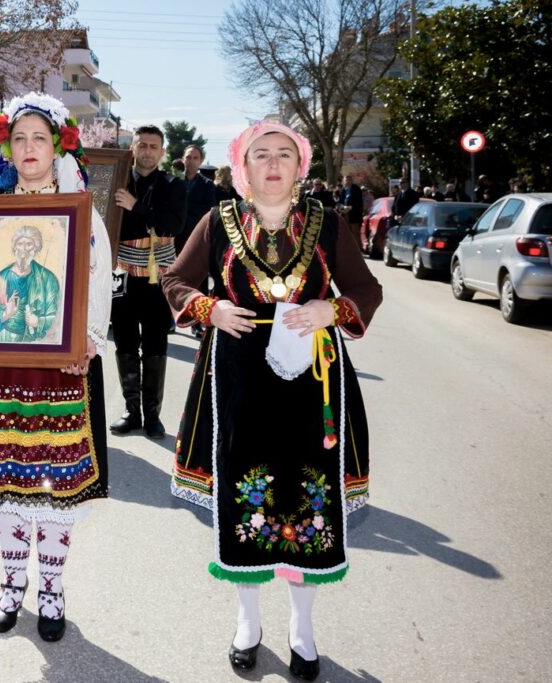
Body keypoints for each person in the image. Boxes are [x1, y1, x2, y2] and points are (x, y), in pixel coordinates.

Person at [162, 121, 382, 681]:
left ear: (301, 165)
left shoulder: (328, 224)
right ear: (243, 166)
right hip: (237, 379)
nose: (274, 163)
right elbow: (176, 281)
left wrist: (333, 310)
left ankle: (302, 628)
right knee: (246, 496)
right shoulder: (218, 221)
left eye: (285, 153)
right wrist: (210, 308)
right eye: (261, 154)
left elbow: (365, 289)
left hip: (314, 384)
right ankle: (247, 621)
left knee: (307, 497)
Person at [0, 91, 112, 643]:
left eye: (39, 137)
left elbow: (99, 281)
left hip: (61, 370)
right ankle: (12, 583)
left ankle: (52, 589)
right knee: (6, 480)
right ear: (7, 148)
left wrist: (87, 338)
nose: (29, 147)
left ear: (57, 144)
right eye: (19, 139)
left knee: (55, 485)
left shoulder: (79, 209)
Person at [109, 124, 186, 439]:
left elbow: (173, 225)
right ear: (133, 148)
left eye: (154, 146)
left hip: (158, 275)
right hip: (122, 273)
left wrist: (137, 208)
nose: (148, 151)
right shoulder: (117, 180)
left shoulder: (172, 185)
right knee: (125, 341)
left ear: (163, 152)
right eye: (142, 145)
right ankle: (132, 410)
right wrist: (142, 214)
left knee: (156, 341)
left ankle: (153, 414)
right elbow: (112, 223)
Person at [0, 224, 60, 341]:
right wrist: (6, 313)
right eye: (20, 244)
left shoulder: (48, 279)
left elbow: (59, 318)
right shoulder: (1, 279)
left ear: (36, 248)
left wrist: (38, 321)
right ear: (14, 248)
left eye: (29, 244)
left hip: (35, 343)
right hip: (4, 341)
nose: (24, 250)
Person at [178, 145, 217, 337]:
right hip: (175, 238)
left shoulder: (207, 185)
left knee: (198, 281)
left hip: (196, 238)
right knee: (173, 278)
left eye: (195, 157)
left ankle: (197, 321)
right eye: (188, 157)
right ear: (183, 159)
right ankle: (171, 319)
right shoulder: (174, 181)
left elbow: (208, 211)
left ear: (200, 161)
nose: (191, 160)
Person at [337, 174, 363, 240]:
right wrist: (340, 207)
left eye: (349, 180)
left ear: (352, 181)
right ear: (343, 181)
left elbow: (359, 202)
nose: (347, 182)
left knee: (355, 233)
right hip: (345, 214)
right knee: (347, 233)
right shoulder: (343, 190)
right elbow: (340, 201)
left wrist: (350, 207)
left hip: (354, 214)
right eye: (346, 180)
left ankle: (358, 249)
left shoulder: (356, 189)